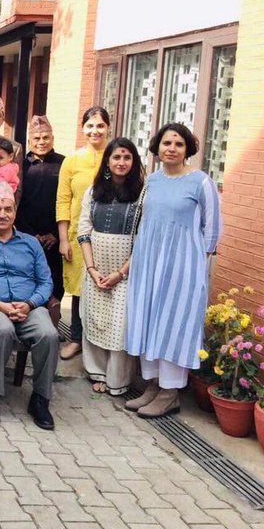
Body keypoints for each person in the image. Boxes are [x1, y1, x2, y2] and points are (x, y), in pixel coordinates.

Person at [125, 124, 221, 418]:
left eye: (179, 143)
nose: (172, 148)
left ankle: (171, 393)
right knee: (150, 318)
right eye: (166, 142)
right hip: (149, 263)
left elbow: (212, 229)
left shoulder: (201, 183)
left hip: (183, 267)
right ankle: (153, 385)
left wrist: (195, 265)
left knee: (174, 323)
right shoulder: (152, 181)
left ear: (187, 148)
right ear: (157, 147)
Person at [0, 182, 58, 430]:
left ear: (15, 213)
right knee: (3, 329)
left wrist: (29, 304)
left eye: (7, 209)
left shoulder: (30, 243)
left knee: (48, 334)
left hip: (30, 307)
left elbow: (46, 282)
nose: (2, 214)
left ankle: (40, 398)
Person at [77, 138, 144, 395]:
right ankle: (96, 371)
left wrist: (120, 273)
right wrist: (92, 269)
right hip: (96, 270)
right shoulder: (93, 192)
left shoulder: (143, 194)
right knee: (94, 319)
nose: (121, 162)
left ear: (134, 162)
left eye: (127, 157)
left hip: (125, 272)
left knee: (120, 327)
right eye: (116, 157)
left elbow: (142, 240)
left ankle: (118, 380)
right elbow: (84, 231)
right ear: (107, 161)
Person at [56, 106, 110, 361]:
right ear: (83, 129)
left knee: (106, 287)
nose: (95, 130)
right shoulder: (72, 161)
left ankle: (101, 343)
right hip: (79, 234)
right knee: (78, 289)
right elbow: (63, 201)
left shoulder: (116, 157)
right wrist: (64, 238)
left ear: (108, 127)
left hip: (110, 236)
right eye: (90, 126)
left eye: (100, 125)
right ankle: (77, 338)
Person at [16, 115, 65, 301]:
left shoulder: (64, 164)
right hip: (27, 236)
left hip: (55, 238)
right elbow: (16, 202)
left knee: (55, 285)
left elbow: (66, 201)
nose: (41, 142)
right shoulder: (20, 166)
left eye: (46, 137)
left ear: (52, 138)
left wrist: (55, 234)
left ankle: (53, 323)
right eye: (37, 138)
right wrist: (30, 234)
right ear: (29, 141)